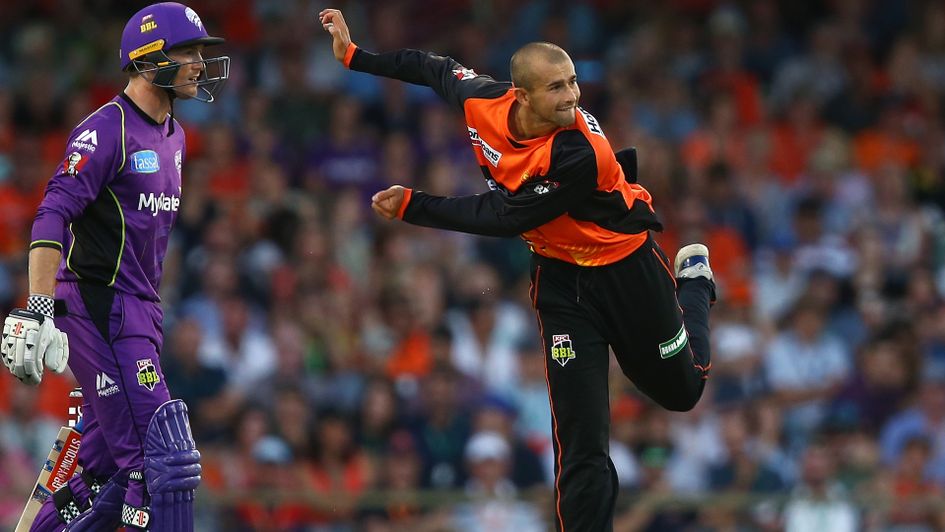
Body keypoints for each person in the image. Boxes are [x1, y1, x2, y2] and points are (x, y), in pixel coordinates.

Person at [319, 8, 715, 531]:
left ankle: (695, 281)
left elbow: (505, 216)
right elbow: (431, 66)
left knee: (681, 392)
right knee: (579, 438)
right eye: (557, 87)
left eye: (573, 82)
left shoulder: (580, 150)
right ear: (522, 96)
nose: (573, 97)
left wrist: (415, 205)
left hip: (626, 268)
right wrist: (355, 56)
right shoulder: (483, 99)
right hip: (561, 282)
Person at [0, 3, 228, 530]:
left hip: (143, 314)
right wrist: (38, 308)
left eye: (202, 52)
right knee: (164, 461)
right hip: (100, 308)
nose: (200, 63)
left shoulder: (175, 136)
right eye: (188, 51)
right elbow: (52, 212)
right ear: (148, 60)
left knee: (104, 473)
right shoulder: (107, 129)